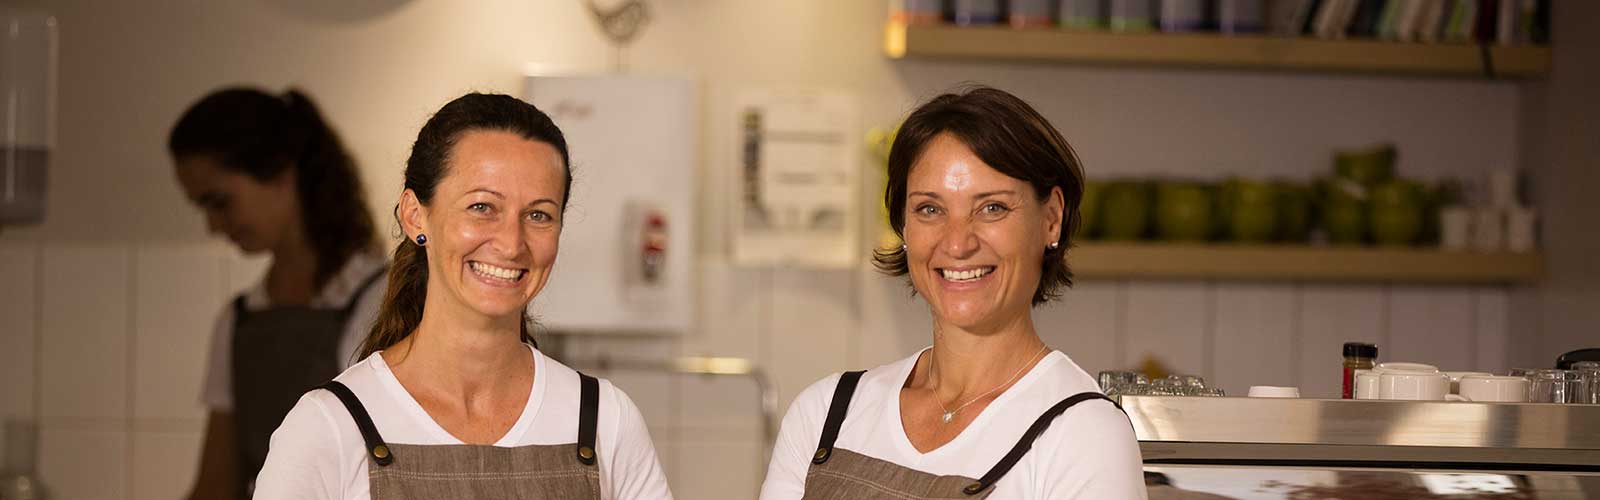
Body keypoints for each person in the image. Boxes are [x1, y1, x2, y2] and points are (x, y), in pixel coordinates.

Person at [252, 93, 673, 499]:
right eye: (482, 207)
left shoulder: (603, 421)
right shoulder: (329, 427)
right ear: (415, 215)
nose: (511, 243)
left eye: (538, 215)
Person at [759, 87, 1146, 499]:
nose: (958, 244)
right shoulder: (826, 415)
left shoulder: (1082, 436)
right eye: (930, 209)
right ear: (904, 227)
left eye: (992, 207)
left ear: (1051, 218)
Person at [170, 87, 386, 500]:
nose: (213, 225)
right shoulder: (240, 321)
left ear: (282, 172)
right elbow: (217, 485)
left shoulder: (383, 303)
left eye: (220, 202)